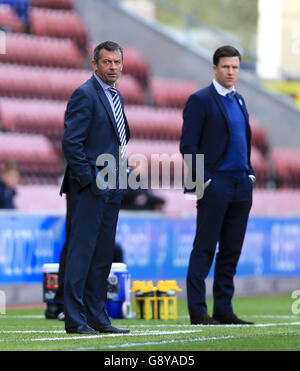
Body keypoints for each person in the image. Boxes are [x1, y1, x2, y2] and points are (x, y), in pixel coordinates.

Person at [180, 45, 256, 325]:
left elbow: (243, 142)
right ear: (214, 68)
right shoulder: (200, 100)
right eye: (226, 67)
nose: (231, 71)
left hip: (241, 184)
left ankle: (224, 309)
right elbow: (188, 145)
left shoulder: (239, 100)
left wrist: (249, 173)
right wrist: (206, 181)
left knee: (231, 250)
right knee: (205, 248)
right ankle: (198, 312)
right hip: (216, 184)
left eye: (235, 67)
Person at [60, 41, 130, 334]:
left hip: (113, 186)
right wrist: (89, 180)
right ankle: (75, 319)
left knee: (102, 256)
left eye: (117, 62)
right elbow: (71, 143)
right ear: (95, 64)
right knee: (81, 254)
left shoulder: (116, 96)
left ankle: (97, 317)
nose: (112, 67)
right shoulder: (85, 94)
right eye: (107, 62)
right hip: (89, 188)